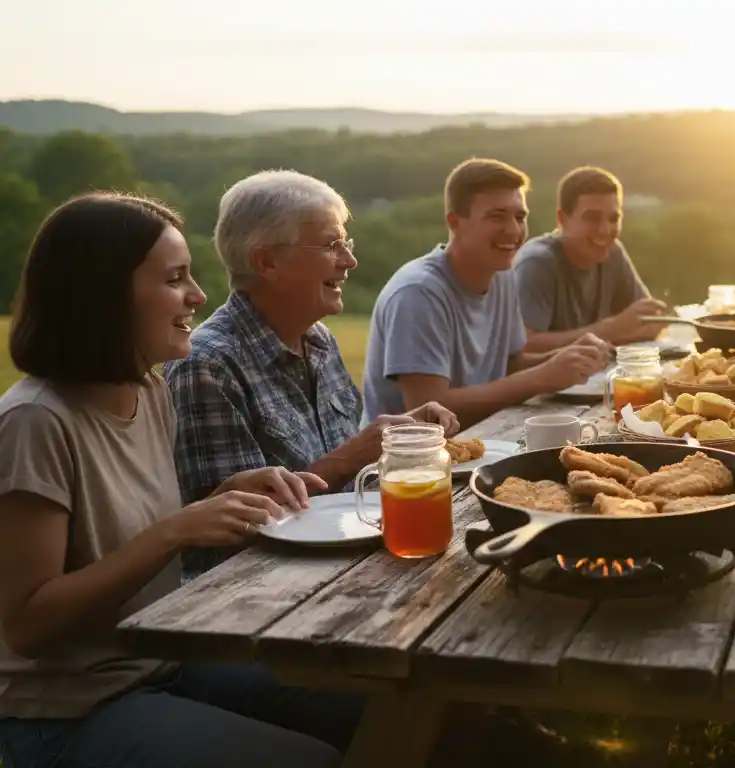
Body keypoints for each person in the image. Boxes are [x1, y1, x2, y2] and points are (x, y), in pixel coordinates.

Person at [0, 193, 363, 768]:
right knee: (311, 760)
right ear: (103, 295)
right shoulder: (35, 422)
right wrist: (175, 531)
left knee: (374, 700)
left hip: (161, 659)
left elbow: (129, 531)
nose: (198, 296)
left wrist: (224, 499)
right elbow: (26, 624)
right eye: (175, 280)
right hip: (70, 708)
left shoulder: (149, 390)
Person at [164, 170, 459, 580]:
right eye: (331, 245)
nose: (349, 261)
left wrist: (401, 441)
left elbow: (345, 496)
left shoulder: (318, 338)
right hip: (258, 597)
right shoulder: (207, 365)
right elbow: (228, 535)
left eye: (346, 243)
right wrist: (356, 453)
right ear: (266, 261)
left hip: (346, 567)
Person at [362, 158, 611, 428]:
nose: (514, 230)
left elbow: (508, 366)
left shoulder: (502, 274)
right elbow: (429, 410)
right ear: (455, 222)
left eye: (520, 217)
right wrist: (542, 376)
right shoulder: (418, 294)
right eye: (497, 216)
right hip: (408, 462)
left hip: (481, 440)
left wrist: (567, 357)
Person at [513, 166, 668, 353]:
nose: (605, 230)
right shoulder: (537, 263)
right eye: (592, 218)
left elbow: (650, 323)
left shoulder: (612, 251)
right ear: (562, 219)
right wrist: (610, 329)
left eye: (613, 218)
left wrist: (615, 332)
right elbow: (523, 345)